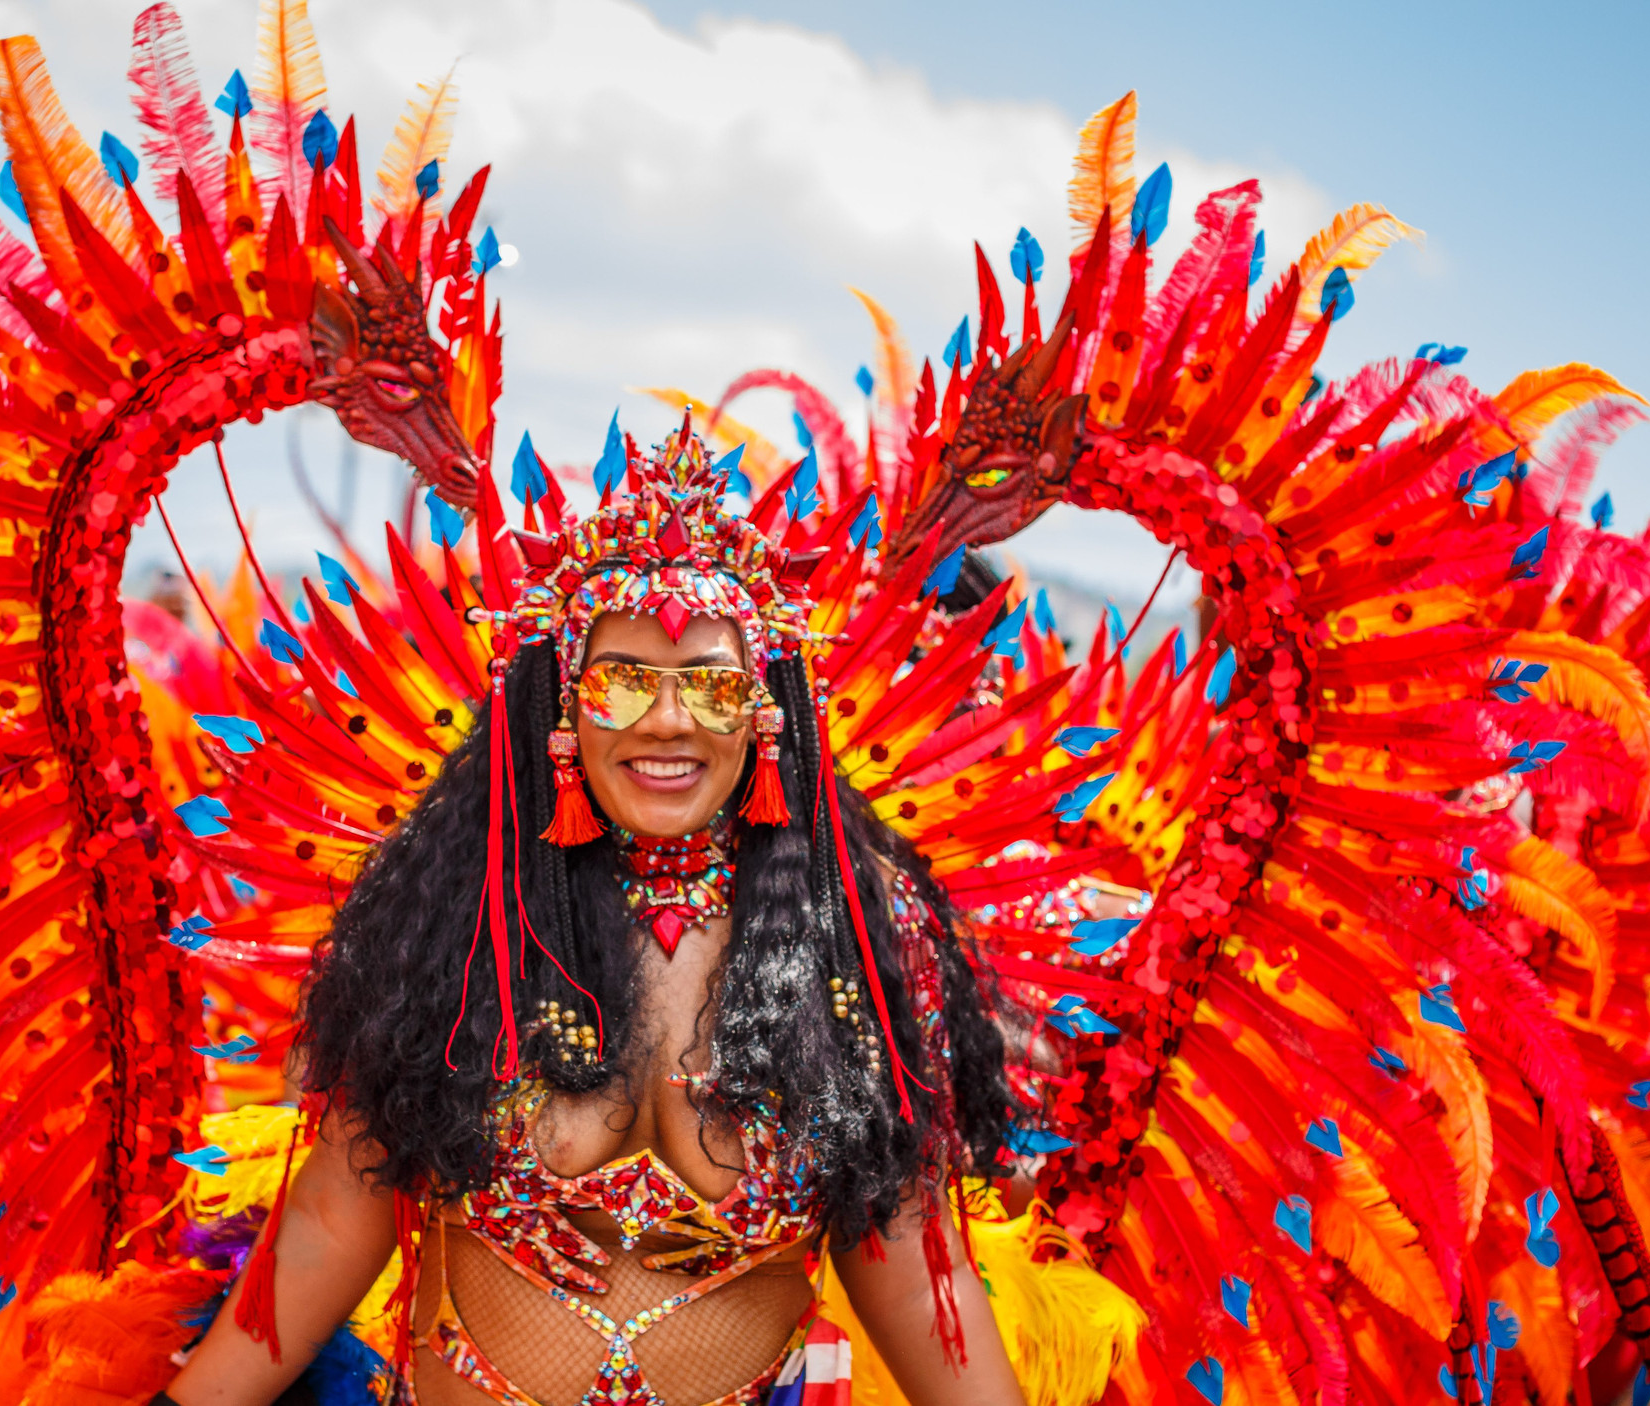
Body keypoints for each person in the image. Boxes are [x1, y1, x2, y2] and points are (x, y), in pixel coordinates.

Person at [163, 431, 1042, 1404]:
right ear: (563, 703)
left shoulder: (853, 941)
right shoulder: (458, 916)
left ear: (765, 709)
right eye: (623, 678)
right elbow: (334, 1219)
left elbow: (917, 1271)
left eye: (710, 684)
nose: (666, 720)